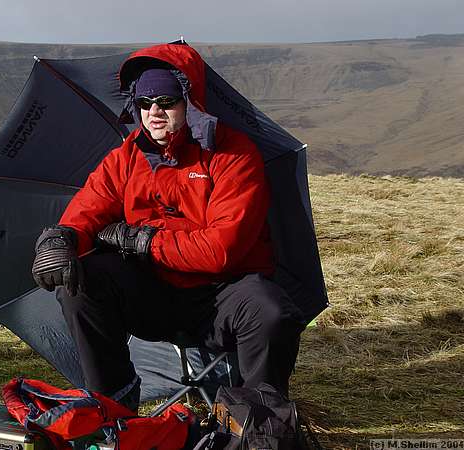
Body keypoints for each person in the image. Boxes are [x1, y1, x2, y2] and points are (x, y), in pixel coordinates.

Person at [31, 44, 306, 412]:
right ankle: (113, 407)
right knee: (83, 282)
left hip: (222, 294)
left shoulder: (235, 155)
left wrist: (140, 239)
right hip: (154, 293)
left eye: (166, 100)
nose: (154, 112)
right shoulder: (125, 158)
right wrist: (61, 239)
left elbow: (219, 251)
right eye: (144, 102)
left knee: (271, 311)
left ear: (189, 102)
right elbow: (89, 208)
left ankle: (258, 420)